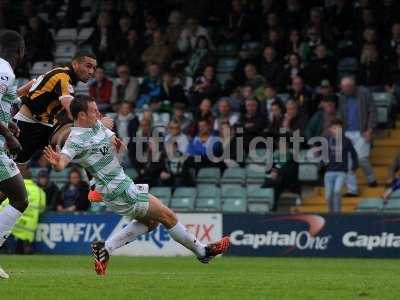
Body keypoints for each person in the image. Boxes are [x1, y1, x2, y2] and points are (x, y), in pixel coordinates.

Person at [43, 95, 229, 275]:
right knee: (168, 216)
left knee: (151, 222)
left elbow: (83, 113)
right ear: (82, 115)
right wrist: (57, 162)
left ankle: (105, 248)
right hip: (119, 190)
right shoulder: (76, 139)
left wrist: (114, 139)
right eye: (94, 111)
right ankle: (203, 252)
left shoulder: (94, 125)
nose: (98, 113)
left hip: (120, 186)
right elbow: (62, 163)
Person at [13, 50, 97, 164]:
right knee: (15, 166)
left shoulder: (62, 76)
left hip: (47, 125)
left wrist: (16, 96)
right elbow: (71, 109)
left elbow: (33, 82)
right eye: (88, 66)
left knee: (78, 138)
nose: (91, 72)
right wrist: (99, 127)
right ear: (75, 64)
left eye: (93, 68)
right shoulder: (63, 77)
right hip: (27, 124)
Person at [0, 30, 29, 279]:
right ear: (19, 51)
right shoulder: (4, 70)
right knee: (19, 198)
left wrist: (9, 123)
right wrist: (10, 137)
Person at [338, 76, 377, 195]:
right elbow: (341, 115)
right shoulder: (342, 97)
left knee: (361, 159)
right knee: (348, 162)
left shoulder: (364, 92)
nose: (345, 89)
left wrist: (370, 129)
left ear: (353, 86)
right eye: (343, 87)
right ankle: (352, 190)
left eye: (347, 87)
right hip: (347, 133)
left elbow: (373, 111)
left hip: (362, 132)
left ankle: (371, 179)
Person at [0, 165, 46, 254]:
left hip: (12, 226)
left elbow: (4, 205)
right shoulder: (40, 191)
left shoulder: (12, 187)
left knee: (8, 252)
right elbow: (42, 208)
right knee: (24, 253)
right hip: (28, 228)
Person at [324, 119, 358, 213]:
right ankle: (330, 213)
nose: (336, 130)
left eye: (339, 127)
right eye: (334, 128)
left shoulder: (346, 141)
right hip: (329, 172)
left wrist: (354, 167)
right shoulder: (327, 141)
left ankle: (337, 214)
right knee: (328, 196)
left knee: (337, 191)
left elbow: (354, 154)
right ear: (330, 129)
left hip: (341, 172)